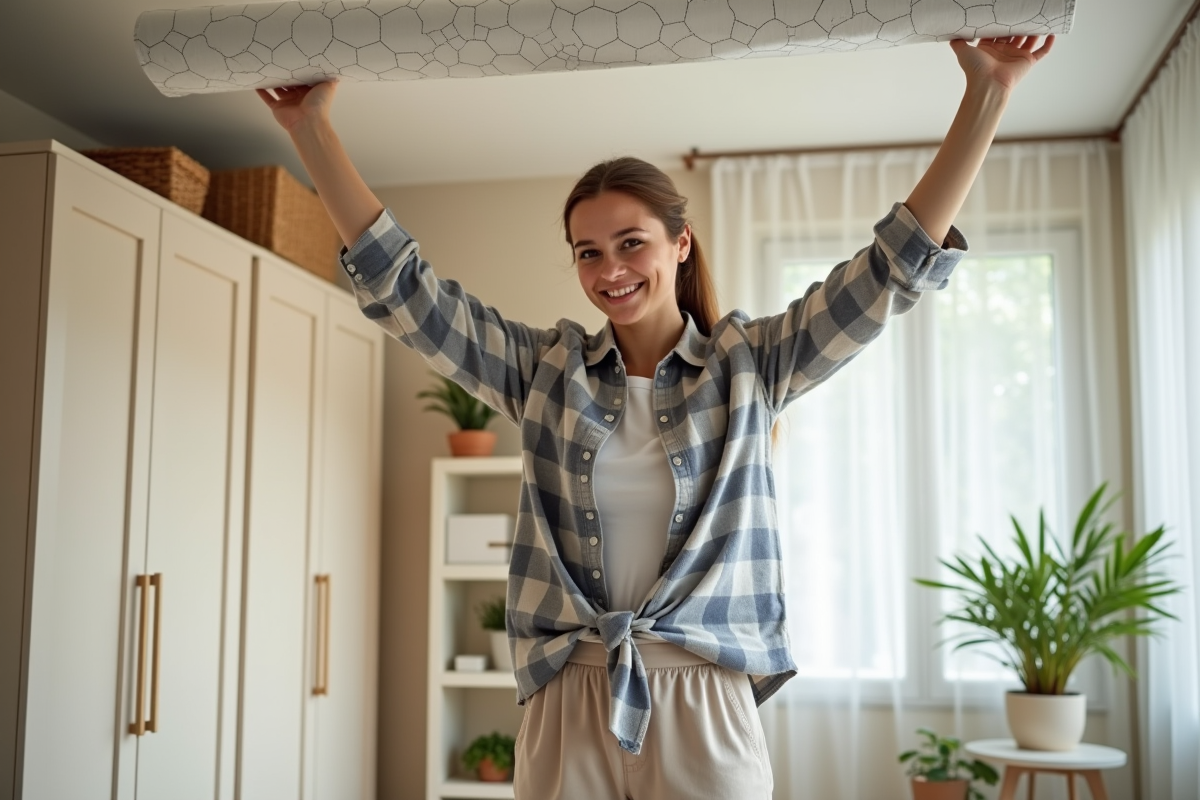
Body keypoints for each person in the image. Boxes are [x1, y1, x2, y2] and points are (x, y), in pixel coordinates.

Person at [259, 33, 1054, 800]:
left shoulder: (751, 364)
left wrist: (988, 92)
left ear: (680, 244)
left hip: (703, 695)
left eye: (630, 243)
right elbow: (408, 294)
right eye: (587, 251)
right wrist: (312, 127)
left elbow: (891, 272)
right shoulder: (546, 371)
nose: (610, 270)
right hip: (570, 694)